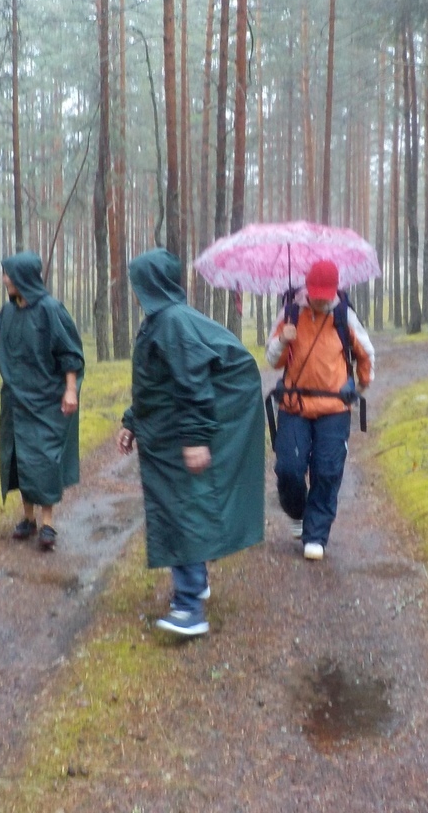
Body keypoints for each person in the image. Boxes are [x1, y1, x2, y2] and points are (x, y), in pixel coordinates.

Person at [116, 248, 266, 638]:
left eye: (137, 282)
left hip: (176, 438)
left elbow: (193, 383)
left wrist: (197, 438)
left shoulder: (173, 322)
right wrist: (132, 421)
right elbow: (155, 384)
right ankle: (195, 584)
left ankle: (189, 608)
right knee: (181, 508)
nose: (133, 290)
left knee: (180, 513)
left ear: (152, 282)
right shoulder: (160, 321)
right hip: (163, 436)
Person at [0, 251, 84, 551]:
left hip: (46, 399)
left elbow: (69, 354)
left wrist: (70, 390)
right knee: (19, 458)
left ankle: (48, 523)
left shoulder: (51, 310)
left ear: (22, 277)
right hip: (15, 400)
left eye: (8, 274)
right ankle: (28, 518)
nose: (4, 279)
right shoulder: (8, 312)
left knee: (44, 459)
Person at [266, 259, 374, 561]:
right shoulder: (290, 314)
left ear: (335, 291)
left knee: (327, 470)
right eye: (316, 295)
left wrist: (361, 385)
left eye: (326, 295)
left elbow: (366, 354)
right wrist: (282, 340)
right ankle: (297, 511)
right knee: (289, 468)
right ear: (308, 289)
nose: (321, 301)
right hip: (294, 405)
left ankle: (316, 535)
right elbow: (272, 360)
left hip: (334, 408)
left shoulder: (344, 316)